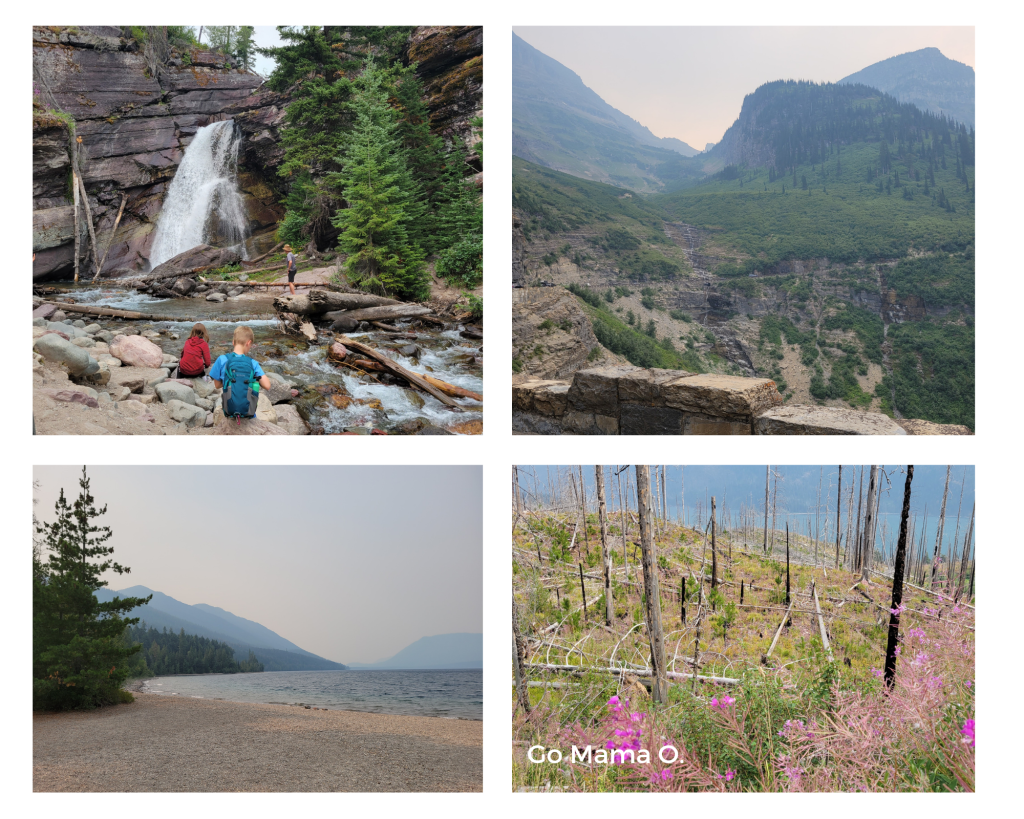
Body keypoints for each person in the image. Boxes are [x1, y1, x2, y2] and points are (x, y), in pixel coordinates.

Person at [210, 326, 272, 420]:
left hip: (229, 410)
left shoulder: (222, 359)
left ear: (233, 342)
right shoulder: (252, 363)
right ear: (248, 343)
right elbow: (267, 385)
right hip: (248, 413)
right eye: (250, 346)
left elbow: (217, 385)